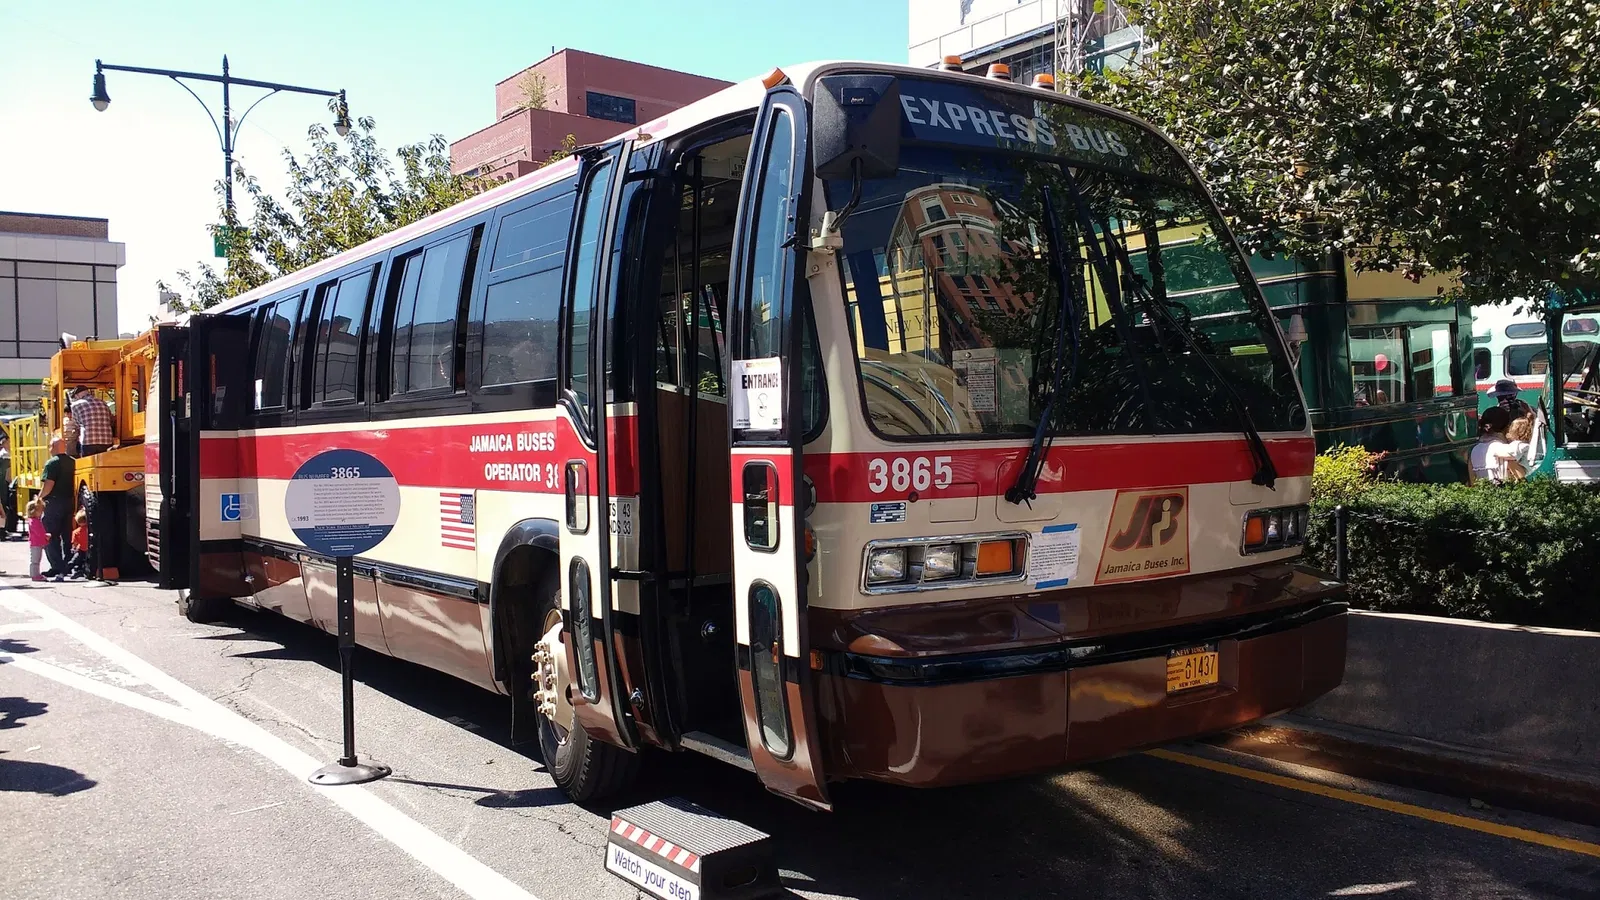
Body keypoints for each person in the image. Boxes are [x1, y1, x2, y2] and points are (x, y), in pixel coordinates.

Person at [38, 435, 74, 579]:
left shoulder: (51, 464)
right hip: (70, 502)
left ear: (52, 447)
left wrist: (39, 498)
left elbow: (48, 485)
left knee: (50, 535)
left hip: (53, 503)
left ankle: (56, 566)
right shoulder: (73, 462)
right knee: (67, 535)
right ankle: (68, 565)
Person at [1469, 406, 1532, 484]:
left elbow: (1473, 483)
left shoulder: (1474, 450)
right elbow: (1522, 481)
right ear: (1507, 427)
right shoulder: (1505, 450)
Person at [70, 386, 114, 457]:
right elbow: (110, 419)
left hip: (88, 441)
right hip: (106, 440)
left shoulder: (75, 405)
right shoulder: (103, 403)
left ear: (77, 395)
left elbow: (77, 424)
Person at [26, 500, 46, 582]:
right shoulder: (34, 521)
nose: (41, 513)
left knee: (36, 560)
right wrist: (45, 537)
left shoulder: (34, 520)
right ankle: (35, 575)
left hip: (37, 543)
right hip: (36, 543)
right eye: (40, 511)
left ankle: (36, 574)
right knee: (35, 560)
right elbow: (38, 532)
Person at [69, 508, 89, 579]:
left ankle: (76, 571)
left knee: (76, 561)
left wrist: (74, 548)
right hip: (89, 549)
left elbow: (74, 543)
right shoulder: (89, 530)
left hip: (80, 549)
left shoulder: (76, 532)